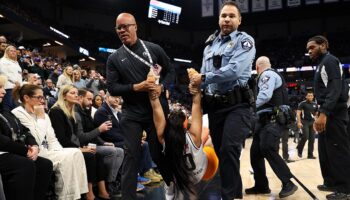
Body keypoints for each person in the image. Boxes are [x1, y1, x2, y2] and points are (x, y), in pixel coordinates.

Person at [189, 1, 255, 199]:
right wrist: (196, 84)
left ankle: (228, 196)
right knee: (222, 152)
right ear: (219, 19)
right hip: (216, 106)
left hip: (238, 105)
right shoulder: (210, 44)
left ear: (239, 20)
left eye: (231, 16)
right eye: (223, 15)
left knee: (229, 149)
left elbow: (234, 70)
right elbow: (203, 72)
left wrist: (203, 78)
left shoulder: (245, 41)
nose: (227, 19)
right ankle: (235, 193)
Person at [106, 12, 174, 199]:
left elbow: (170, 70)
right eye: (118, 28)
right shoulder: (114, 58)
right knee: (131, 155)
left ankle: (173, 188)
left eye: (126, 26)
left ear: (135, 26)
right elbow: (112, 88)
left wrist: (162, 87)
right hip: (132, 113)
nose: (122, 30)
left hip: (156, 109)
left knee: (159, 151)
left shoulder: (153, 49)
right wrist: (137, 87)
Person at [11, 84, 88, 200]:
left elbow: (52, 138)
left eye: (43, 97)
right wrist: (41, 118)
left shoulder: (44, 114)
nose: (42, 101)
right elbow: (36, 139)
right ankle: (65, 196)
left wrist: (59, 151)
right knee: (67, 157)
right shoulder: (18, 113)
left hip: (49, 149)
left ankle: (78, 194)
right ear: (26, 98)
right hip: (34, 151)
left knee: (75, 152)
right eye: (39, 97)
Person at [149, 73, 218, 199]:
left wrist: (152, 90)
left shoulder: (163, 138)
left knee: (172, 178)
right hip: (200, 173)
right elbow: (197, 104)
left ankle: (171, 190)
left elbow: (155, 106)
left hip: (177, 175)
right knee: (210, 142)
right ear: (185, 125)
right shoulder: (194, 136)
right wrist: (196, 90)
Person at [245, 56, 298, 198]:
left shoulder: (267, 74)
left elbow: (265, 96)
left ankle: (288, 182)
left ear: (257, 68)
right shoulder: (270, 74)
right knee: (255, 152)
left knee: (268, 147)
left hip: (272, 119)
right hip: (262, 120)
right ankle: (261, 185)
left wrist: (248, 106)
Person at [307, 35, 350, 200]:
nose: (309, 51)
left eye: (312, 47)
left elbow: (335, 89)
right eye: (308, 49)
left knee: (338, 151)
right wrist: (319, 112)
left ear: (323, 45)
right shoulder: (321, 64)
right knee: (326, 151)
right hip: (326, 111)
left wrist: (324, 112)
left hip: (334, 113)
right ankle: (331, 182)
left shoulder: (330, 61)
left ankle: (345, 188)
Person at [48, 85, 109, 200]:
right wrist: (80, 149)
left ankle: (102, 191)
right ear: (64, 96)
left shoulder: (72, 112)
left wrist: (82, 147)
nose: (76, 95)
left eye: (76, 93)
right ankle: (88, 193)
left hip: (72, 146)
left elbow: (75, 137)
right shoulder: (56, 112)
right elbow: (61, 139)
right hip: (61, 148)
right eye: (72, 93)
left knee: (98, 154)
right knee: (90, 156)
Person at [0, 75, 53, 200]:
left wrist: (33, 145)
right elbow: (2, 141)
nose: (3, 91)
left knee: (45, 164)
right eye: (0, 87)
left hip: (14, 151)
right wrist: (25, 151)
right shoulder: (17, 111)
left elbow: (25, 131)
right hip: (4, 152)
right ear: (26, 98)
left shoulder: (5, 111)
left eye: (3, 87)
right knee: (25, 164)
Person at [76, 88, 124, 195]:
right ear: (80, 98)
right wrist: (99, 130)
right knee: (114, 151)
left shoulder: (86, 111)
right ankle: (109, 183)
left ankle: (112, 181)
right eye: (89, 99)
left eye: (91, 100)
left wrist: (102, 143)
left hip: (93, 143)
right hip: (82, 145)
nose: (91, 102)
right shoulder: (80, 113)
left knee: (119, 150)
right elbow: (82, 137)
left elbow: (92, 131)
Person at [0, 45, 22, 111]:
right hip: (8, 87)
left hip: (17, 88)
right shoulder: (3, 61)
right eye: (11, 51)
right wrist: (15, 81)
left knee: (15, 107)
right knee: (7, 106)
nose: (13, 52)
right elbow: (4, 73)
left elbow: (19, 74)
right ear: (7, 52)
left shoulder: (16, 62)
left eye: (15, 51)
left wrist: (20, 85)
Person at [296, 91, 317, 159]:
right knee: (305, 137)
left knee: (312, 139)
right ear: (306, 96)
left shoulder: (315, 104)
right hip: (304, 122)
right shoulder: (302, 103)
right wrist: (299, 122)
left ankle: (310, 155)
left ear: (313, 96)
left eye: (311, 95)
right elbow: (298, 113)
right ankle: (299, 149)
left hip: (312, 122)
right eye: (309, 95)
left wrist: (316, 121)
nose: (310, 97)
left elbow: (316, 114)